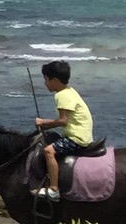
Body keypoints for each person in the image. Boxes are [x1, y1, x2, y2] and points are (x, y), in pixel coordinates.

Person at [33, 59, 96, 203]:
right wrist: (47, 126)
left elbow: (63, 121)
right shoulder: (70, 91)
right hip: (79, 133)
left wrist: (43, 122)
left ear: (54, 80)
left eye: (46, 79)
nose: (45, 83)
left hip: (77, 138)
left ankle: (54, 189)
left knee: (49, 151)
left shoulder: (61, 96)